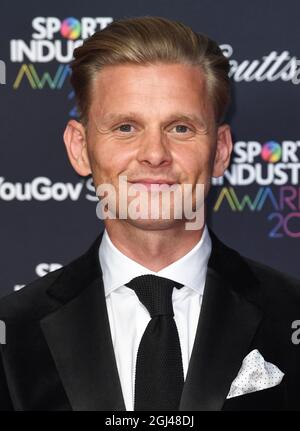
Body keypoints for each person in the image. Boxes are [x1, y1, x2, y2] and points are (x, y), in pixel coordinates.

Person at [1, 16, 300, 411]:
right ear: (79, 147)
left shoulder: (291, 312)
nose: (155, 154)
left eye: (180, 128)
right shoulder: (12, 332)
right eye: (126, 127)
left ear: (222, 150)